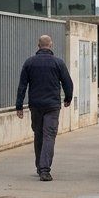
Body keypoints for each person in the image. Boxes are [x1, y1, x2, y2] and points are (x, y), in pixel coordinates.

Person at [15, 35, 73, 181]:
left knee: (39, 134)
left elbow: (22, 86)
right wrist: (68, 98)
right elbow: (68, 83)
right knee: (49, 136)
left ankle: (39, 165)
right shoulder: (58, 63)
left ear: (38, 45)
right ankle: (45, 169)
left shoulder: (29, 62)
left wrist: (19, 106)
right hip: (52, 105)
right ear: (51, 45)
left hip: (35, 105)